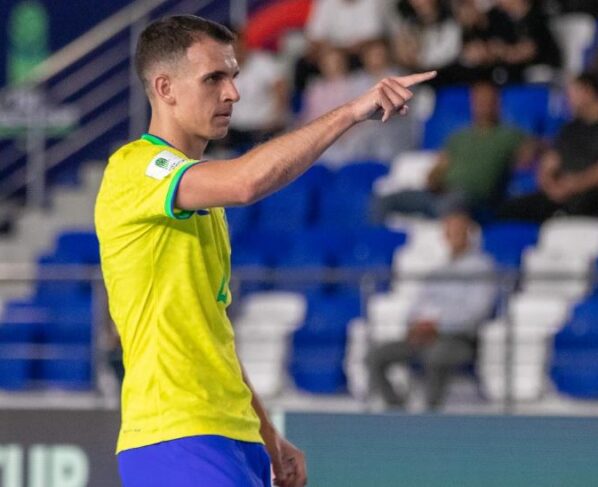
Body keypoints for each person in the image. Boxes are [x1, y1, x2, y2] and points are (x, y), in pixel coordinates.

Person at [95, 14, 435, 487]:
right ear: (165, 88)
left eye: (233, 76)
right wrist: (351, 110)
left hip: (231, 436)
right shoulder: (134, 168)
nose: (233, 92)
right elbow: (247, 181)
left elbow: (212, 335)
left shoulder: (199, 198)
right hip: (174, 437)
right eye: (214, 78)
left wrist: (268, 434)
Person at [367, 212, 496, 410]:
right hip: (423, 336)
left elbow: (477, 312)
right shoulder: (438, 271)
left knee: (435, 356)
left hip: (457, 339)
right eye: (449, 232)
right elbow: (417, 305)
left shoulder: (482, 268)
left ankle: (431, 413)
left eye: (458, 232)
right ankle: (395, 408)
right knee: (376, 355)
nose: (452, 237)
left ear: (468, 235)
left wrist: (438, 325)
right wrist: (416, 324)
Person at [371, 81, 532, 221]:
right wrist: (433, 178)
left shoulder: (509, 135)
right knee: (383, 201)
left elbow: (532, 151)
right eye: (478, 100)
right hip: (440, 194)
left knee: (453, 202)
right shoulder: (459, 136)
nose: (482, 105)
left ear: (497, 103)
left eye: (487, 100)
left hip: (470, 199)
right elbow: (440, 166)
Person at [499, 72, 598, 222]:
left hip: (590, 193)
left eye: (572, 92)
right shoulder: (569, 129)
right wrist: (551, 187)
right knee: (508, 210)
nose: (568, 98)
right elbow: (550, 162)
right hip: (562, 194)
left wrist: (575, 184)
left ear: (588, 92)